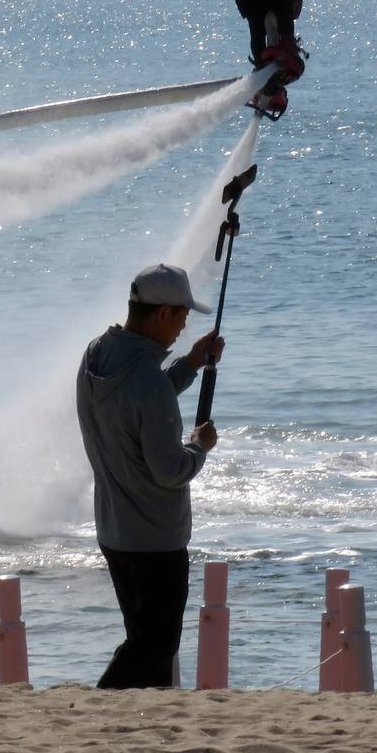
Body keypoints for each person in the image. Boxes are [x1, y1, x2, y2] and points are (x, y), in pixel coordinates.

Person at [76, 263, 224, 690]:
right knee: (154, 646)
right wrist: (200, 446)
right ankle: (98, 709)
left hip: (114, 532)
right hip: (156, 541)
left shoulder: (97, 354)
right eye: (181, 316)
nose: (183, 327)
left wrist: (190, 363)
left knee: (144, 644)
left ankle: (145, 721)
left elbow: (138, 403)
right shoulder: (147, 381)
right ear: (162, 313)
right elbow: (170, 471)